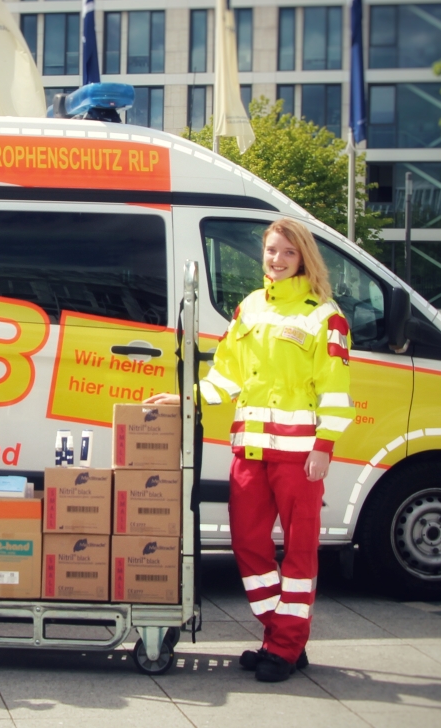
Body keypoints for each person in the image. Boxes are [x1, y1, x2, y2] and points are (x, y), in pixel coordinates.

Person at [149, 217, 353, 682]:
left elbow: (336, 390)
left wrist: (325, 446)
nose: (277, 260)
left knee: (300, 553)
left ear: (303, 258)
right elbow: (228, 374)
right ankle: (282, 635)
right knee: (247, 544)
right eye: (271, 251)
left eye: (287, 252)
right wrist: (186, 398)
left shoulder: (325, 315)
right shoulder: (250, 308)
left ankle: (282, 647)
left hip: (301, 456)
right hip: (251, 452)